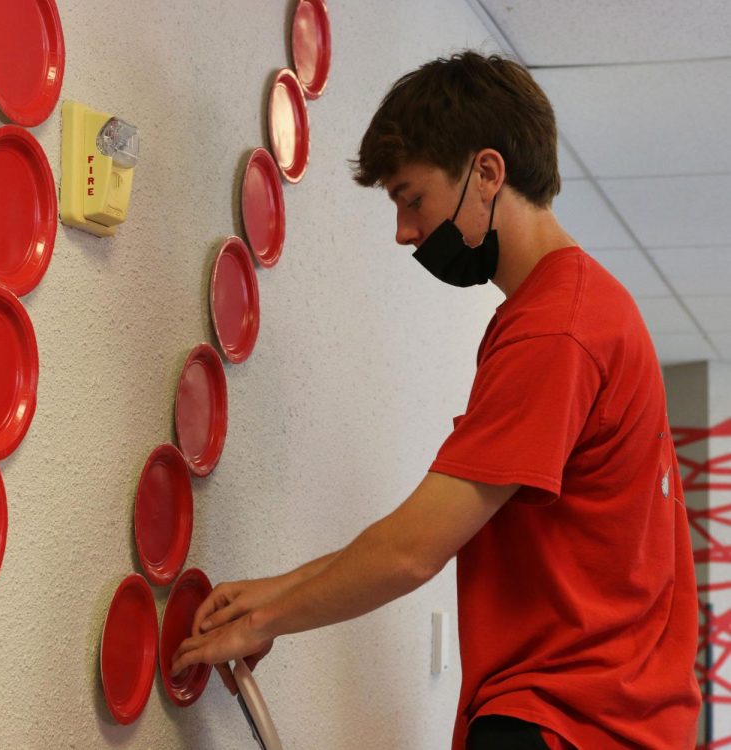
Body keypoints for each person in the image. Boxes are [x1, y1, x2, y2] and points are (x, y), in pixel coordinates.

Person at [171, 51, 701, 749]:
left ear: (487, 173)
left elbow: (412, 550)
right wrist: (272, 594)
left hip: (568, 720)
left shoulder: (557, 331)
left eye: (410, 198)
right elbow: (417, 536)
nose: (405, 231)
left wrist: (265, 621)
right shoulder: (581, 308)